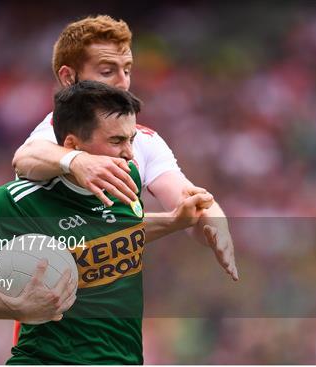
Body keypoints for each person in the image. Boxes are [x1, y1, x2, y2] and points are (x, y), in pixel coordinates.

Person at [0, 81, 214, 364]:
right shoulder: (18, 201)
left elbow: (110, 234)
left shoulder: (125, 181)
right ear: (72, 145)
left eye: (131, 140)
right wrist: (16, 305)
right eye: (117, 141)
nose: (131, 154)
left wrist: (173, 221)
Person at [12, 15, 238, 281]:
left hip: (117, 314)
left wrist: (216, 225)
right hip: (49, 312)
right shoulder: (56, 133)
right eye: (107, 71)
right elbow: (25, 158)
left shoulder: (145, 141)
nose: (123, 82)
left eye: (127, 70)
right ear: (68, 77)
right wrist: (77, 161)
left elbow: (189, 202)